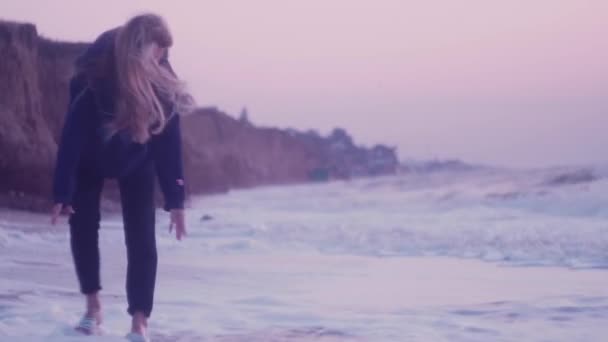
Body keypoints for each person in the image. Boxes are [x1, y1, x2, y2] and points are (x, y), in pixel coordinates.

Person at [51, 13, 194, 341]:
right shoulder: (96, 80)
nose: (163, 59)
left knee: (142, 236)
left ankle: (139, 323)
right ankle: (92, 307)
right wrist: (63, 191)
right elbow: (71, 138)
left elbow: (170, 146)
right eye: (159, 51)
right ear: (141, 50)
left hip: (137, 160)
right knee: (83, 225)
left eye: (166, 53)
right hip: (91, 156)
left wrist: (176, 202)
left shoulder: (162, 83)